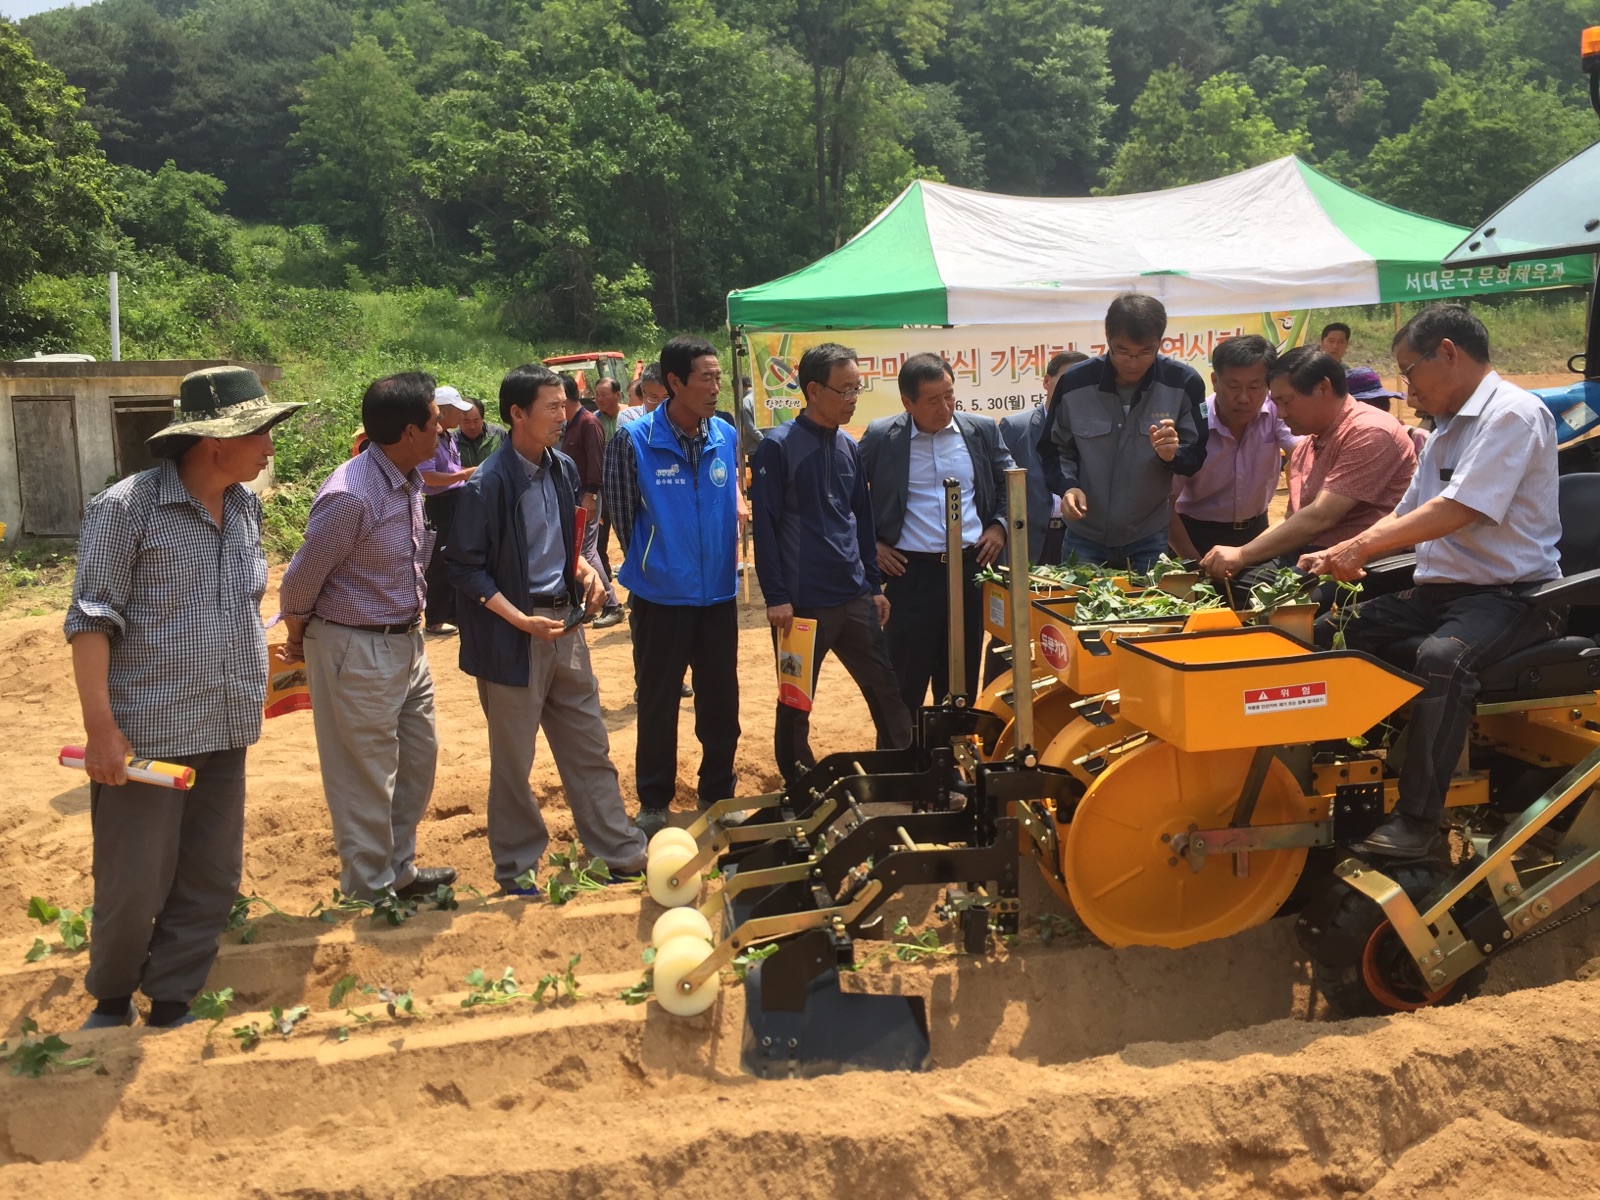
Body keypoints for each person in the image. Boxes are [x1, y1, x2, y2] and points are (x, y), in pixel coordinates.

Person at [67, 366, 303, 1030]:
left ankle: (172, 1000)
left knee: (211, 879)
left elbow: (231, 608)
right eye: (261, 432)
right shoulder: (125, 509)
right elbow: (89, 622)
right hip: (149, 737)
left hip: (226, 727)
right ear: (214, 443)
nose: (270, 447)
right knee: (133, 882)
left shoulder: (245, 508)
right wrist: (101, 731)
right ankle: (111, 999)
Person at [1301, 304, 1564, 859]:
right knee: (1331, 631)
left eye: (1409, 369)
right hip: (1442, 593)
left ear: (1448, 352)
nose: (1407, 386)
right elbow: (1407, 511)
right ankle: (1334, 776)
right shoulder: (1445, 430)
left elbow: (1458, 510)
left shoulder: (1512, 416)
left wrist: (1362, 546)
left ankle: (1418, 822)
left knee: (1444, 658)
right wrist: (1335, 554)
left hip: (1513, 597)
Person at [444, 365, 648, 891]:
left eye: (566, 406)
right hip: (513, 635)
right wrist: (517, 618)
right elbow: (464, 569)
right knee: (515, 763)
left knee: (589, 746)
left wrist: (587, 570)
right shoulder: (485, 484)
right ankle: (516, 868)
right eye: (552, 409)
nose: (565, 417)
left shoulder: (561, 468)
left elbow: (572, 540)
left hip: (566, 628)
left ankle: (618, 851)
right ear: (516, 414)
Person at [279, 372, 458, 902]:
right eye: (435, 422)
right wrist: (297, 637)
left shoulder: (408, 481)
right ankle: (368, 888)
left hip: (405, 642)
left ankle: (397, 869)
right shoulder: (350, 495)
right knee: (363, 776)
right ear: (409, 432)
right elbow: (300, 582)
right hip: (354, 645)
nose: (444, 432)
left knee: (416, 762)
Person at [751, 343, 913, 782]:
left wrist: (874, 586)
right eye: (845, 390)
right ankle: (799, 784)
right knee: (796, 698)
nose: (853, 398)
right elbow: (763, 528)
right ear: (813, 390)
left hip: (854, 597)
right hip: (801, 607)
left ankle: (902, 770)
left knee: (887, 690)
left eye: (857, 388)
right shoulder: (777, 448)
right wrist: (777, 597)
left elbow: (862, 521)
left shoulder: (848, 446)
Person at [604, 336, 744, 838]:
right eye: (705, 377)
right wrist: (658, 560)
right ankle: (655, 799)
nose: (715, 387)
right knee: (659, 700)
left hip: (718, 596)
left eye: (717, 377)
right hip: (660, 596)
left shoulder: (724, 435)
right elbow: (621, 515)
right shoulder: (635, 440)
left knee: (721, 699)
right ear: (676, 383)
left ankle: (717, 791)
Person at [859, 353, 1014, 711]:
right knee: (904, 681)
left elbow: (1010, 482)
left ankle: (949, 758)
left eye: (949, 395)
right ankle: (900, 759)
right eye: (932, 400)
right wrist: (871, 545)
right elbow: (846, 496)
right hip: (911, 573)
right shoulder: (883, 437)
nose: (944, 407)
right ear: (907, 403)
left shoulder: (981, 430)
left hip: (971, 569)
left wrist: (1000, 526)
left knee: (959, 679)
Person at [1199, 347, 1416, 585]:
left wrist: (1242, 555)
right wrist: (1239, 555)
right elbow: (1294, 518)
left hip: (1360, 565)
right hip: (1310, 556)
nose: (1280, 414)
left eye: (1286, 402)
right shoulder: (1307, 446)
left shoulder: (1369, 431)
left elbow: (1321, 517)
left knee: (1255, 591)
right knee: (1224, 580)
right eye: (1276, 403)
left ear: (1323, 388)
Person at [1039, 293, 1207, 573]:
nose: (1133, 363)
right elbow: (1053, 447)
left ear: (1160, 343)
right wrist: (1068, 487)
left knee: (1147, 615)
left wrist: (1172, 455)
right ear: (1107, 339)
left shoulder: (1184, 383)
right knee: (1082, 613)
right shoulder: (1075, 383)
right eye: (1123, 351)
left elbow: (1197, 452)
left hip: (1148, 536)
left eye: (1145, 352)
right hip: (1085, 536)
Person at [1169, 336, 1300, 561]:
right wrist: (1193, 562)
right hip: (1194, 536)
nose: (1243, 398)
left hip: (1258, 533)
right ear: (1214, 381)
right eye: (1232, 386)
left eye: (1254, 387)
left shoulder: (1278, 410)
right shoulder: (1191, 422)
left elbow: (1302, 454)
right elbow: (1164, 503)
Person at [998, 350, 1087, 568]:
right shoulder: (1015, 428)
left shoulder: (1094, 431)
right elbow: (998, 487)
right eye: (1065, 382)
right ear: (1047, 381)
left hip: (1079, 539)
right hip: (1030, 540)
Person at [559, 375, 624, 627]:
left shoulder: (588, 423)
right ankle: (588, 603)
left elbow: (598, 464)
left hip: (587, 496)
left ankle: (612, 604)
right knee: (580, 551)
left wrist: (591, 495)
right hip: (576, 497)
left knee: (586, 551)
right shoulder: (571, 424)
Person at [418, 384, 478, 635]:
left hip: (455, 500)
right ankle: (435, 617)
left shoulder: (449, 437)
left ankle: (454, 611)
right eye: (457, 411)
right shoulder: (431, 438)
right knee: (440, 561)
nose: (462, 417)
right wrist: (465, 474)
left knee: (457, 556)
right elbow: (428, 478)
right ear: (443, 412)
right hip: (440, 505)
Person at [592, 378, 624, 579]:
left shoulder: (629, 416)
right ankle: (604, 576)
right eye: (596, 395)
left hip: (626, 483)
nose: (599, 399)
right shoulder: (593, 421)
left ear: (617, 395)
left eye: (604, 394)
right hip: (603, 486)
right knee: (600, 535)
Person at [456, 396, 506, 468]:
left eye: (476, 421)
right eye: (466, 421)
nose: (472, 426)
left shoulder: (498, 434)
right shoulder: (452, 441)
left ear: (482, 419)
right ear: (459, 420)